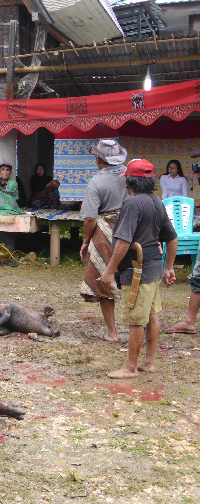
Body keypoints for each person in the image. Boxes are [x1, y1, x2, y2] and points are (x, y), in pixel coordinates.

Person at [97, 159, 178, 378]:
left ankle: (131, 367)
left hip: (138, 270)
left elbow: (123, 241)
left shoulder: (132, 204)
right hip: (153, 268)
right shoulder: (156, 202)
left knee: (136, 319)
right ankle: (149, 362)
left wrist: (109, 271)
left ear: (130, 181)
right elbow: (172, 238)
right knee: (151, 315)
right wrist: (168, 267)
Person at [79, 138, 128, 342]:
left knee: (104, 280)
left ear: (99, 159)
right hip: (134, 229)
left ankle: (112, 332)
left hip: (106, 233)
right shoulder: (130, 176)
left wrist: (85, 241)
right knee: (138, 279)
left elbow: (90, 218)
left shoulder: (96, 182)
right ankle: (141, 327)